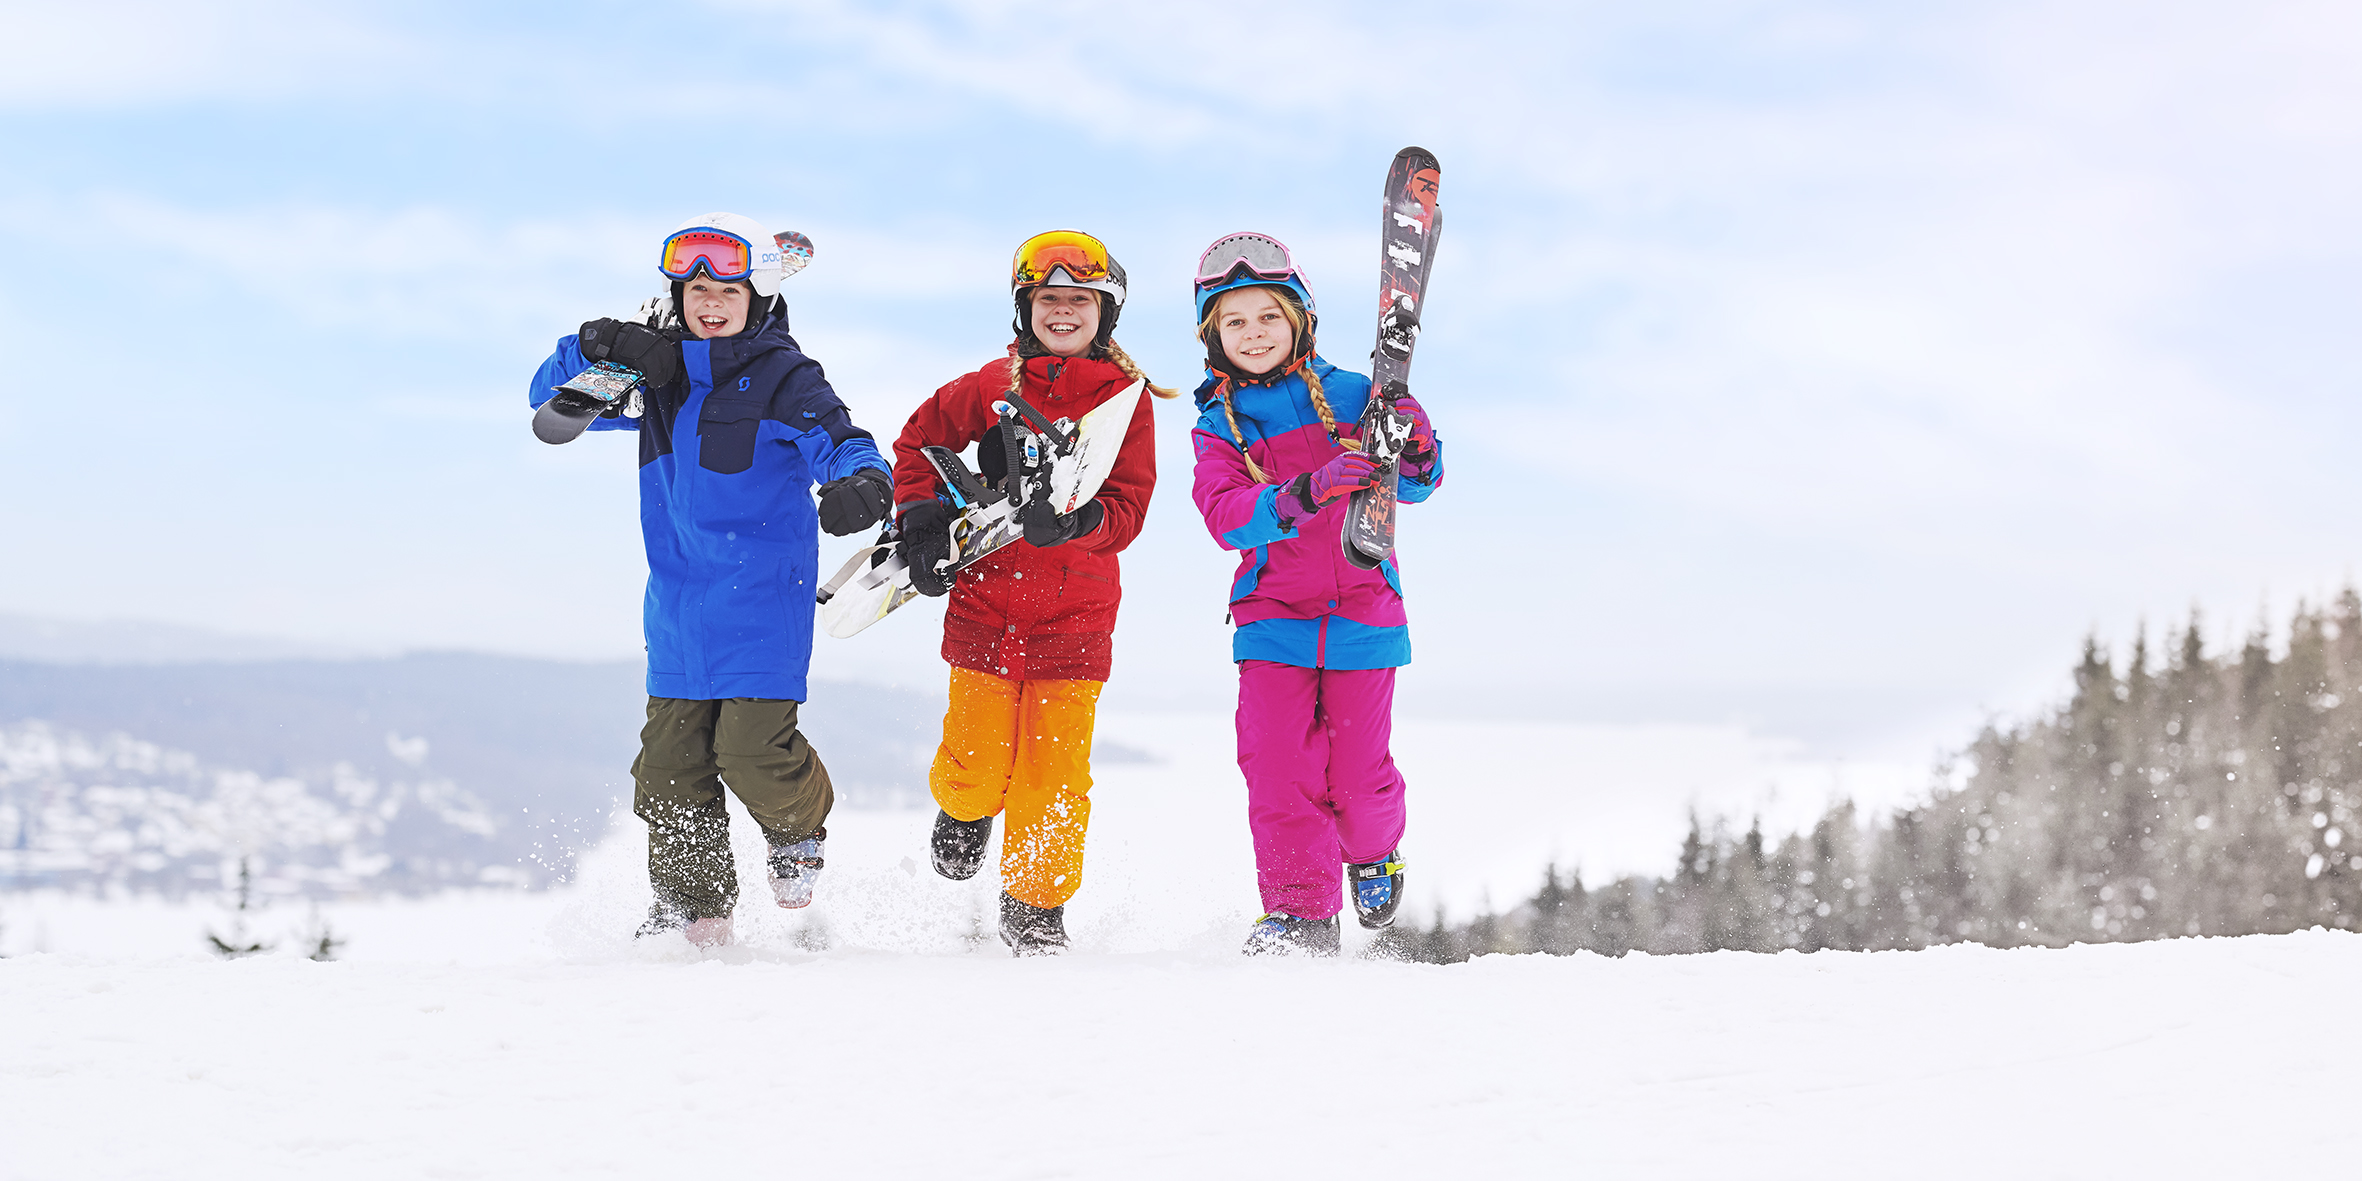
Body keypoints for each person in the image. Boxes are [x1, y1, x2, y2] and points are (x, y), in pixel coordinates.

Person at [528, 212, 894, 947]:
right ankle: (693, 915)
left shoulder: (785, 376)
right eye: (695, 287)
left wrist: (863, 483)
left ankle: (799, 828)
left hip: (762, 601)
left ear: (759, 295)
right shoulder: (655, 378)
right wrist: (597, 343)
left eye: (728, 288)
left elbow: (845, 442)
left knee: (752, 750)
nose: (710, 301)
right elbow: (548, 397)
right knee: (667, 770)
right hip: (676, 609)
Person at [890, 229, 1173, 955]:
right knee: (977, 763)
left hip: (1074, 624)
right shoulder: (990, 384)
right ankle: (964, 810)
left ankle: (1035, 908)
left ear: (1105, 315)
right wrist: (922, 520)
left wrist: (1079, 522)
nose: (1064, 310)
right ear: (1026, 307)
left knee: (1054, 779)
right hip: (984, 609)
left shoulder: (1124, 400)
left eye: (1081, 300)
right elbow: (919, 441)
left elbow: (1131, 507)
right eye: (1050, 299)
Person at [1185, 232, 1444, 956]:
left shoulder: (1358, 396)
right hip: (1272, 621)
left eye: (1267, 315)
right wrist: (1304, 491)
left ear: (1300, 317)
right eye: (1233, 322)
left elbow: (1418, 483)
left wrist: (1413, 439)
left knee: (1358, 777)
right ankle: (1300, 915)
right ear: (1214, 338)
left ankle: (1374, 852)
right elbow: (1227, 517)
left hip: (1364, 612)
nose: (1253, 333)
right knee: (1276, 767)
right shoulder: (1219, 429)